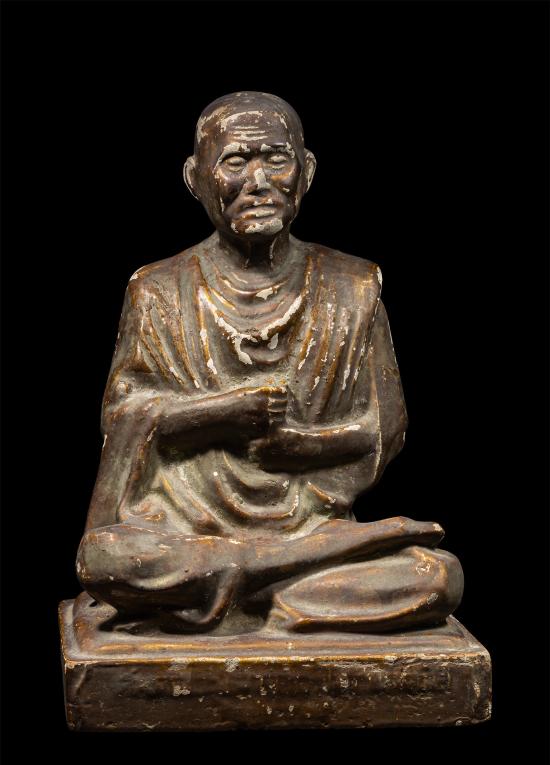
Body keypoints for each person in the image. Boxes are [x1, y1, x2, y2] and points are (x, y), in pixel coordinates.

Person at [77, 91, 463, 634]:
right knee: (108, 561)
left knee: (437, 577)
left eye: (275, 159)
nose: (257, 182)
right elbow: (122, 421)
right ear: (195, 179)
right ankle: (275, 580)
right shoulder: (157, 290)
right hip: (182, 531)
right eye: (235, 161)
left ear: (306, 171)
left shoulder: (352, 287)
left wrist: (304, 447)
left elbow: (384, 429)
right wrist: (220, 413)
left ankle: (248, 587)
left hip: (310, 528)